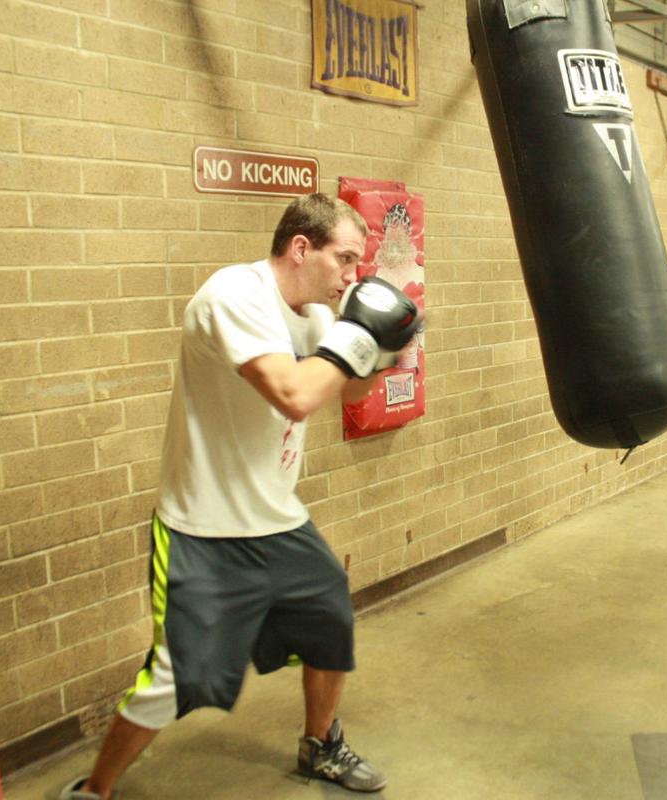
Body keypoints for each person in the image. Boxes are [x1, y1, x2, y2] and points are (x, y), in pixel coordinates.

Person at [60, 193, 421, 799]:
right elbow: (293, 394)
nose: (353, 276)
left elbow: (349, 398)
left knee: (330, 618)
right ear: (302, 247)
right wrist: (359, 335)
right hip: (203, 525)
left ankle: (319, 746)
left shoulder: (316, 316)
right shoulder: (234, 296)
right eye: (346, 259)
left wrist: (386, 354)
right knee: (176, 679)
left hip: (277, 518)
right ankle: (94, 790)